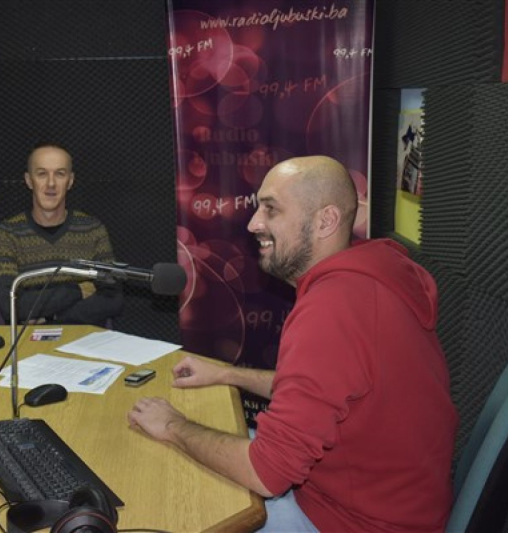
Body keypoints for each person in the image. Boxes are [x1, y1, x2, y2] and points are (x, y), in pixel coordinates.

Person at [128, 156, 458, 532]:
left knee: (173, 507)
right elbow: (328, 392)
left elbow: (265, 474)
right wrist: (226, 374)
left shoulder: (332, 308)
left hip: (353, 523)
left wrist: (172, 425)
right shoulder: (368, 278)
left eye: (271, 209)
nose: (253, 223)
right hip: (386, 506)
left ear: (325, 221)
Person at [0, 142, 123, 327]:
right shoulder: (7, 234)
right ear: (29, 180)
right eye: (42, 174)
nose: (51, 183)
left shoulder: (92, 229)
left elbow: (113, 299)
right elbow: (10, 306)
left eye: (60, 174)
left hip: (86, 338)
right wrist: (78, 290)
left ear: (70, 180)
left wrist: (52, 318)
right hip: (29, 340)